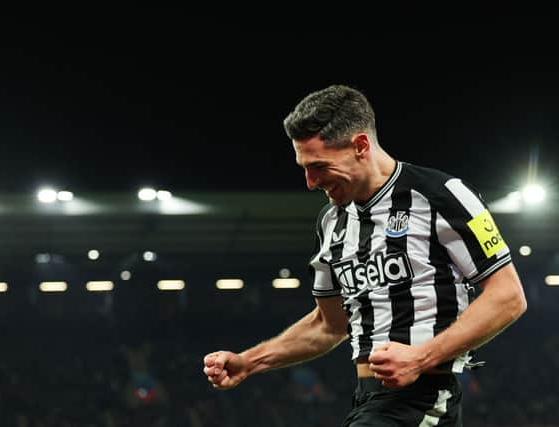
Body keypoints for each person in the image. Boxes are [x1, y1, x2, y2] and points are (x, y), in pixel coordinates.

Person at [202, 84, 528, 426]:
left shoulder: (442, 196)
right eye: (303, 167)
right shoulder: (331, 223)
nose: (310, 182)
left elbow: (508, 296)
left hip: (423, 396)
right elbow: (329, 325)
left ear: (360, 145)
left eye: (319, 167)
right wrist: (250, 361)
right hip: (369, 399)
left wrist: (419, 357)